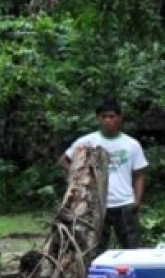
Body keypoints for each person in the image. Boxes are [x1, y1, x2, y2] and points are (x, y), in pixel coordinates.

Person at [60, 99, 148, 248]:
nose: (108, 120)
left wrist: (137, 201)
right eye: (104, 116)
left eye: (112, 116)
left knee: (132, 248)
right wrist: (81, 178)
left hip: (124, 203)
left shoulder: (131, 144)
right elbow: (63, 161)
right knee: (95, 249)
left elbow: (139, 175)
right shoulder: (88, 141)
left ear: (120, 118)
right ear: (98, 118)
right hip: (96, 204)